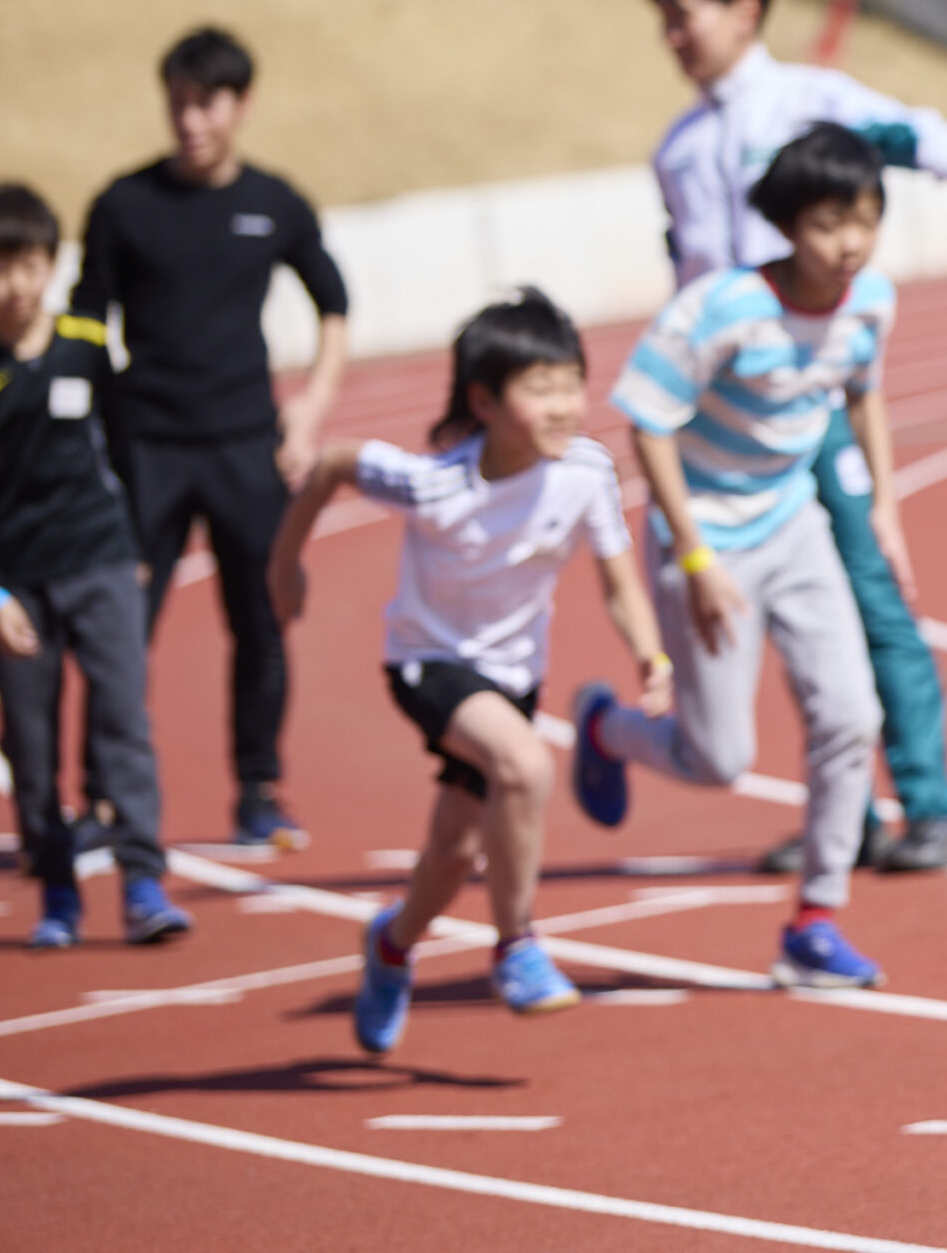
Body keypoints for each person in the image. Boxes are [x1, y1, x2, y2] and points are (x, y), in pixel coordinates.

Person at [644, 0, 947, 874]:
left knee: (872, 592)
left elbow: (925, 145)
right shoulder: (678, 150)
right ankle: (843, 817)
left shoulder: (816, 102)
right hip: (728, 418)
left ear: (743, 12)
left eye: (683, 15)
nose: (671, 36)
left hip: (813, 396)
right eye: (663, 20)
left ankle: (931, 802)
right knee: (785, 612)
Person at [266, 288, 669, 1054]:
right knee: (523, 765)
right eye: (538, 388)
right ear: (482, 401)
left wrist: (651, 654)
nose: (561, 406)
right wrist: (282, 567)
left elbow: (619, 582)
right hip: (430, 664)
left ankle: (391, 945)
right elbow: (330, 467)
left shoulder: (587, 471)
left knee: (453, 852)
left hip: (515, 677)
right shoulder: (436, 483)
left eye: (569, 385)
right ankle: (517, 945)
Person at [570, 123, 902, 990]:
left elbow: (863, 395)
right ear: (789, 226)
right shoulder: (721, 309)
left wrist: (885, 515)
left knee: (851, 718)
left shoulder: (870, 300)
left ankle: (815, 920)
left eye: (866, 219)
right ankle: (605, 726)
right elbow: (647, 421)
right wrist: (696, 561)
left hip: (795, 527)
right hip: (706, 540)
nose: (851, 243)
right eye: (831, 223)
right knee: (717, 759)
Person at [69, 26, 350, 850]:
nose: (190, 121)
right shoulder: (124, 205)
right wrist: (88, 431)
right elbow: (87, 325)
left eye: (207, 104)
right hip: (146, 448)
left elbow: (334, 302)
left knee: (261, 621)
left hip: (246, 448)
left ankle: (259, 789)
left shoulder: (276, 203)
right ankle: (104, 801)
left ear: (242, 105)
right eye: (178, 103)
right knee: (120, 628)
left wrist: (310, 410)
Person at [0, 184, 191, 951]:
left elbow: (128, 446)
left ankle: (143, 882)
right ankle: (57, 891)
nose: (14, 285)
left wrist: (142, 551)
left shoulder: (84, 344)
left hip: (103, 563)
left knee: (122, 723)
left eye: (27, 265)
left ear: (52, 264)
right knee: (35, 746)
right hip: (20, 584)